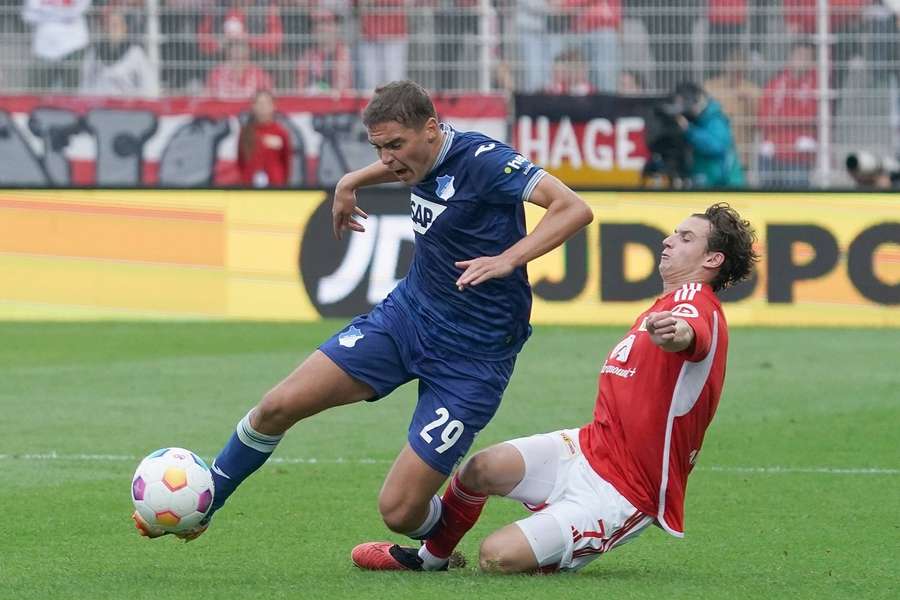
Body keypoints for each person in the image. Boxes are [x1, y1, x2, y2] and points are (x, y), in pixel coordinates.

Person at [132, 81, 595, 564]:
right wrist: (350, 181)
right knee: (276, 406)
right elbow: (397, 164)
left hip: (474, 358)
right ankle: (208, 504)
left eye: (395, 145)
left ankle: (438, 545)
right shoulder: (417, 157)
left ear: (432, 130)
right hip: (407, 318)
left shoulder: (485, 161)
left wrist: (507, 258)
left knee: (398, 510)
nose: (390, 159)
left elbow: (573, 208)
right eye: (378, 147)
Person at [351, 202, 759, 572]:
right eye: (674, 232)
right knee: (480, 469)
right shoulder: (662, 305)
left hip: (624, 491)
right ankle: (430, 559)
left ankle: (557, 543)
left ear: (712, 259)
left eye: (686, 237)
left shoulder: (695, 302)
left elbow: (692, 331)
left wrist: (678, 333)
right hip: (587, 446)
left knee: (497, 557)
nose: (669, 240)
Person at [757, 40, 817, 188]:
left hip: (799, 154)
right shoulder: (776, 82)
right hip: (773, 149)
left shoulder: (817, 85)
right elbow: (764, 116)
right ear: (791, 56)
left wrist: (783, 120)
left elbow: (812, 117)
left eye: (806, 57)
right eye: (799, 55)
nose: (801, 61)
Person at [672, 82, 745, 188]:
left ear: (698, 99)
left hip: (725, 184)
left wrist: (689, 130)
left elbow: (716, 146)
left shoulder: (715, 119)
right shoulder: (696, 120)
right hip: (707, 182)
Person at [80, 7, 158, 98]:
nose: (111, 30)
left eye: (116, 25)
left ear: (124, 28)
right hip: (99, 106)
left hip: (126, 106)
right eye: (108, 25)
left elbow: (148, 84)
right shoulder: (94, 53)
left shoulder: (135, 53)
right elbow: (85, 83)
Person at [236, 90, 292, 188]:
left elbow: (286, 162)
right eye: (259, 103)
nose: (263, 107)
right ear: (253, 107)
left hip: (275, 187)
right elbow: (240, 161)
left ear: (274, 106)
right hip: (249, 186)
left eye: (266, 103)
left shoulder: (281, 132)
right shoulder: (245, 132)